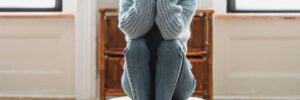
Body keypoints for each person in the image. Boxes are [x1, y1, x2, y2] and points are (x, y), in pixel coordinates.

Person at [118, 0, 199, 99]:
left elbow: (171, 33)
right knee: (135, 45)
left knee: (171, 46)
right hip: (138, 78)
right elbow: (132, 32)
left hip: (177, 79)